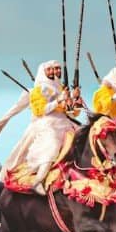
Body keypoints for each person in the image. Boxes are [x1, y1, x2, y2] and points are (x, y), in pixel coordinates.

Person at [21, 61, 79, 194]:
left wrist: (75, 101)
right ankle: (38, 180)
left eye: (56, 69)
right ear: (43, 72)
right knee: (53, 144)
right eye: (50, 69)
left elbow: (72, 112)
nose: (54, 72)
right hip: (48, 123)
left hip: (65, 122)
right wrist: (58, 101)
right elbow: (40, 110)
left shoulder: (61, 88)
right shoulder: (39, 89)